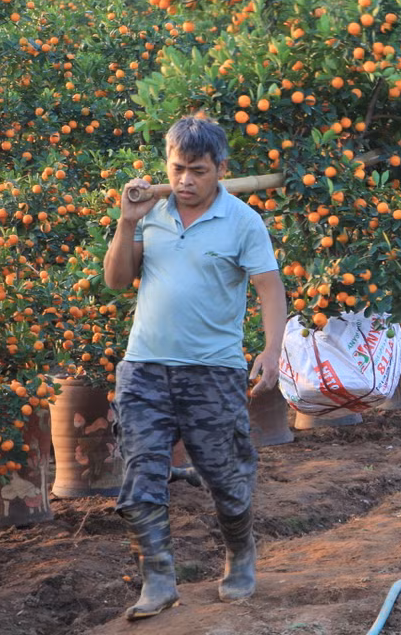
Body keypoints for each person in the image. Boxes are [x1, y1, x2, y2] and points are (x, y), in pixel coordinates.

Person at [103, 115, 287, 620]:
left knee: (225, 476)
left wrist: (272, 351)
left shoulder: (243, 221)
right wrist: (127, 221)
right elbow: (118, 281)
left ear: (220, 169)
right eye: (178, 168)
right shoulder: (151, 213)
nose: (185, 181)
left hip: (212, 371)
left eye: (198, 171)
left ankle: (240, 553)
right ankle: (159, 580)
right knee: (141, 476)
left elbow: (271, 289)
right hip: (143, 369)